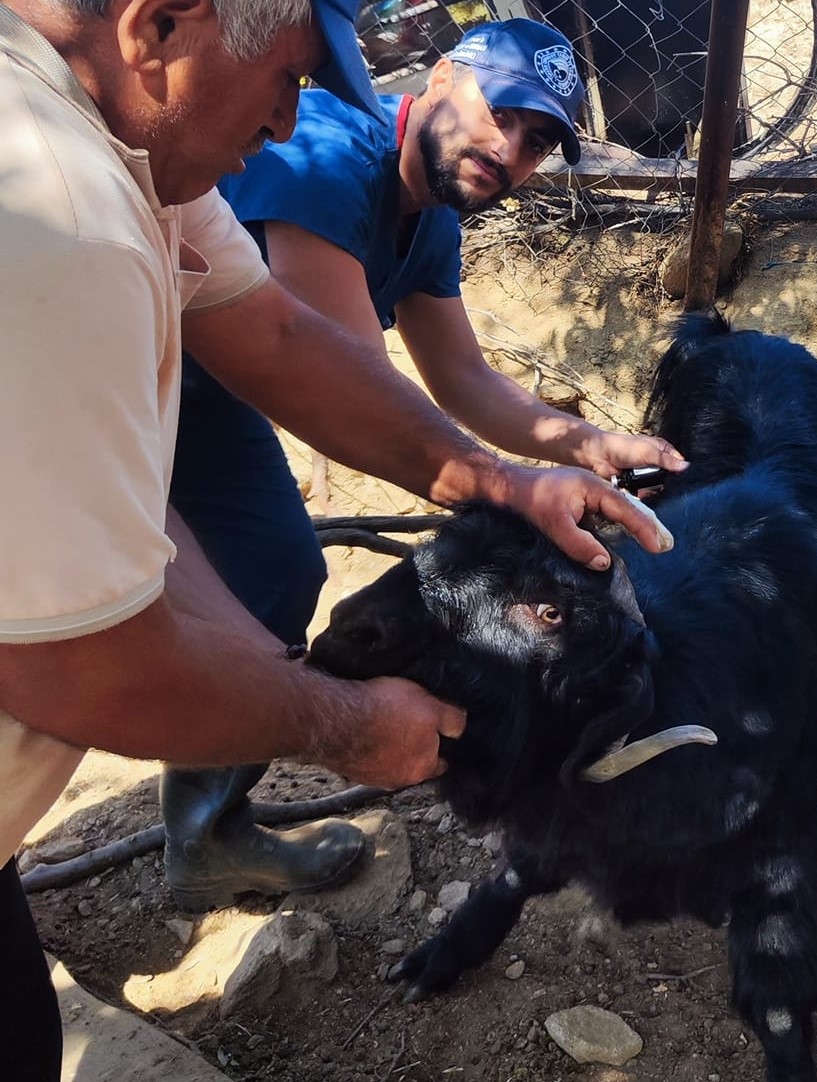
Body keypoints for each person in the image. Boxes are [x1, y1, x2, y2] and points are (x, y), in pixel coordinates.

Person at [0, 0, 670, 1075]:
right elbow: (82, 664)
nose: (281, 122)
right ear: (163, 25)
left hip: (159, 384)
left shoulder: (132, 152)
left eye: (544, 140)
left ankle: (208, 817)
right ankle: (209, 820)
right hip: (171, 402)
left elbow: (295, 339)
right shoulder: (67, 219)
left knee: (266, 568)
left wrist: (530, 465)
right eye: (285, 80)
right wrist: (348, 727)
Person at [160, 16, 687, 914]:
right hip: (145, 377)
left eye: (539, 141)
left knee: (276, 569)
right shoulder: (325, 155)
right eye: (504, 113)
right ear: (441, 77)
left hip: (211, 406)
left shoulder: (431, 208)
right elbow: (351, 389)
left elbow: (465, 382)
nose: (511, 150)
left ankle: (205, 838)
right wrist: (508, 486)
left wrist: (591, 446)